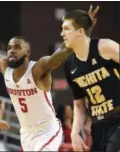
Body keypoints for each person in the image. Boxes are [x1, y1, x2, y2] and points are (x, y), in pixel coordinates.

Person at [0, 7, 96, 151]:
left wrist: (82, 32)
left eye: (17, 47)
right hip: (26, 133)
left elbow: (61, 52)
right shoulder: (4, 66)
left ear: (28, 52)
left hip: (47, 131)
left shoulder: (38, 69)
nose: (12, 50)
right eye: (10, 48)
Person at [61, 5, 120, 152]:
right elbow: (80, 105)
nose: (62, 33)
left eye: (66, 29)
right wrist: (75, 132)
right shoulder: (69, 65)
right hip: (98, 125)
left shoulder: (104, 47)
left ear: (80, 31)